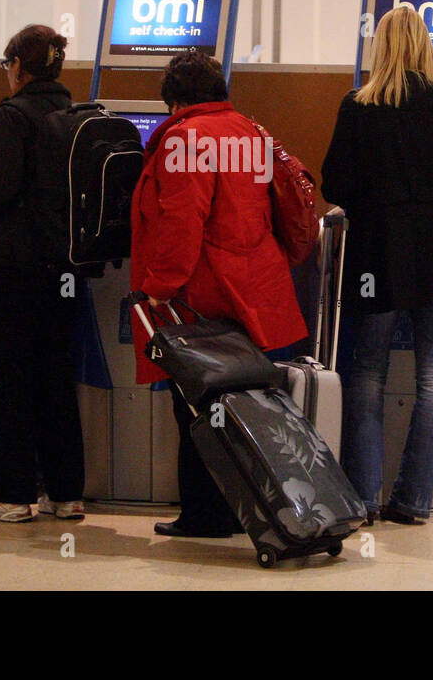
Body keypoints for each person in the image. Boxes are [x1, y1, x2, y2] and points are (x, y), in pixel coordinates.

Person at [321, 6, 433, 525]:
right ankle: (415, 499)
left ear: (379, 47)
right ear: (425, 45)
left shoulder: (358, 104)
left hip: (377, 249)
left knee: (368, 369)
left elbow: (334, 183)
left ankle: (363, 498)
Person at [131, 51, 307, 538]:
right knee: (241, 402)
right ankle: (238, 508)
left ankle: (205, 514)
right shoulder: (248, 129)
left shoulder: (187, 138)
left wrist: (156, 289)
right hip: (255, 285)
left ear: (175, 99)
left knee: (196, 401)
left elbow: (182, 222)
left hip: (204, 295)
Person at [0, 25, 87, 523]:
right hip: (67, 270)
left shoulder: (13, 116)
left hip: (17, 267)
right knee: (55, 376)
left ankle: (12, 493)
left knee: (13, 380)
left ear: (17, 66)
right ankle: (66, 492)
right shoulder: (74, 114)